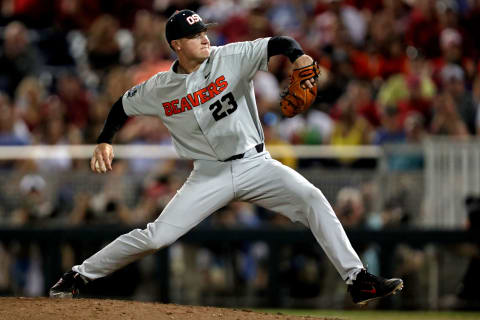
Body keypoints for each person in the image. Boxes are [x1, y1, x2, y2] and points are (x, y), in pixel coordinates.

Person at [49, 9, 403, 305]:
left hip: (255, 164)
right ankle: (79, 274)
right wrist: (104, 141)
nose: (205, 38)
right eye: (195, 34)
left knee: (312, 198)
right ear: (176, 45)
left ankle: (357, 279)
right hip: (207, 175)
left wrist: (299, 56)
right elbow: (121, 106)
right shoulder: (159, 87)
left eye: (205, 31)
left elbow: (280, 43)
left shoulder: (231, 56)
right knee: (156, 237)